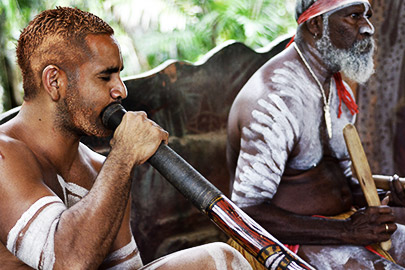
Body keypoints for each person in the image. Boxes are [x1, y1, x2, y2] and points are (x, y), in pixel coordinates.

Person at [226, 0, 405, 269]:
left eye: (367, 16)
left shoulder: (334, 87)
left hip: (342, 226)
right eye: (355, 16)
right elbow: (246, 216)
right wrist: (348, 231)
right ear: (316, 24)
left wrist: (390, 194)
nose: (368, 28)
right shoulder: (275, 99)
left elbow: (341, 184)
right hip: (279, 242)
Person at [0, 7, 252, 270]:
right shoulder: (4, 156)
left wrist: (120, 163)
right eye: (105, 76)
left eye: (119, 75)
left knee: (222, 260)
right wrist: (123, 157)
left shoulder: (101, 170)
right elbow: (68, 264)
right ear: (54, 81)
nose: (121, 89)